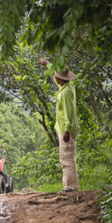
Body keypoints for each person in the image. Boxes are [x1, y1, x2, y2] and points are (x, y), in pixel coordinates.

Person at [38, 60, 80, 192]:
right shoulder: (68, 85)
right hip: (65, 128)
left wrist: (66, 130)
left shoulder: (66, 93)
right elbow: (56, 76)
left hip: (66, 129)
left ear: (59, 78)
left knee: (67, 158)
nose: (55, 78)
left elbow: (69, 112)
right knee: (66, 157)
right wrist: (47, 64)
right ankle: (68, 186)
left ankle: (71, 187)